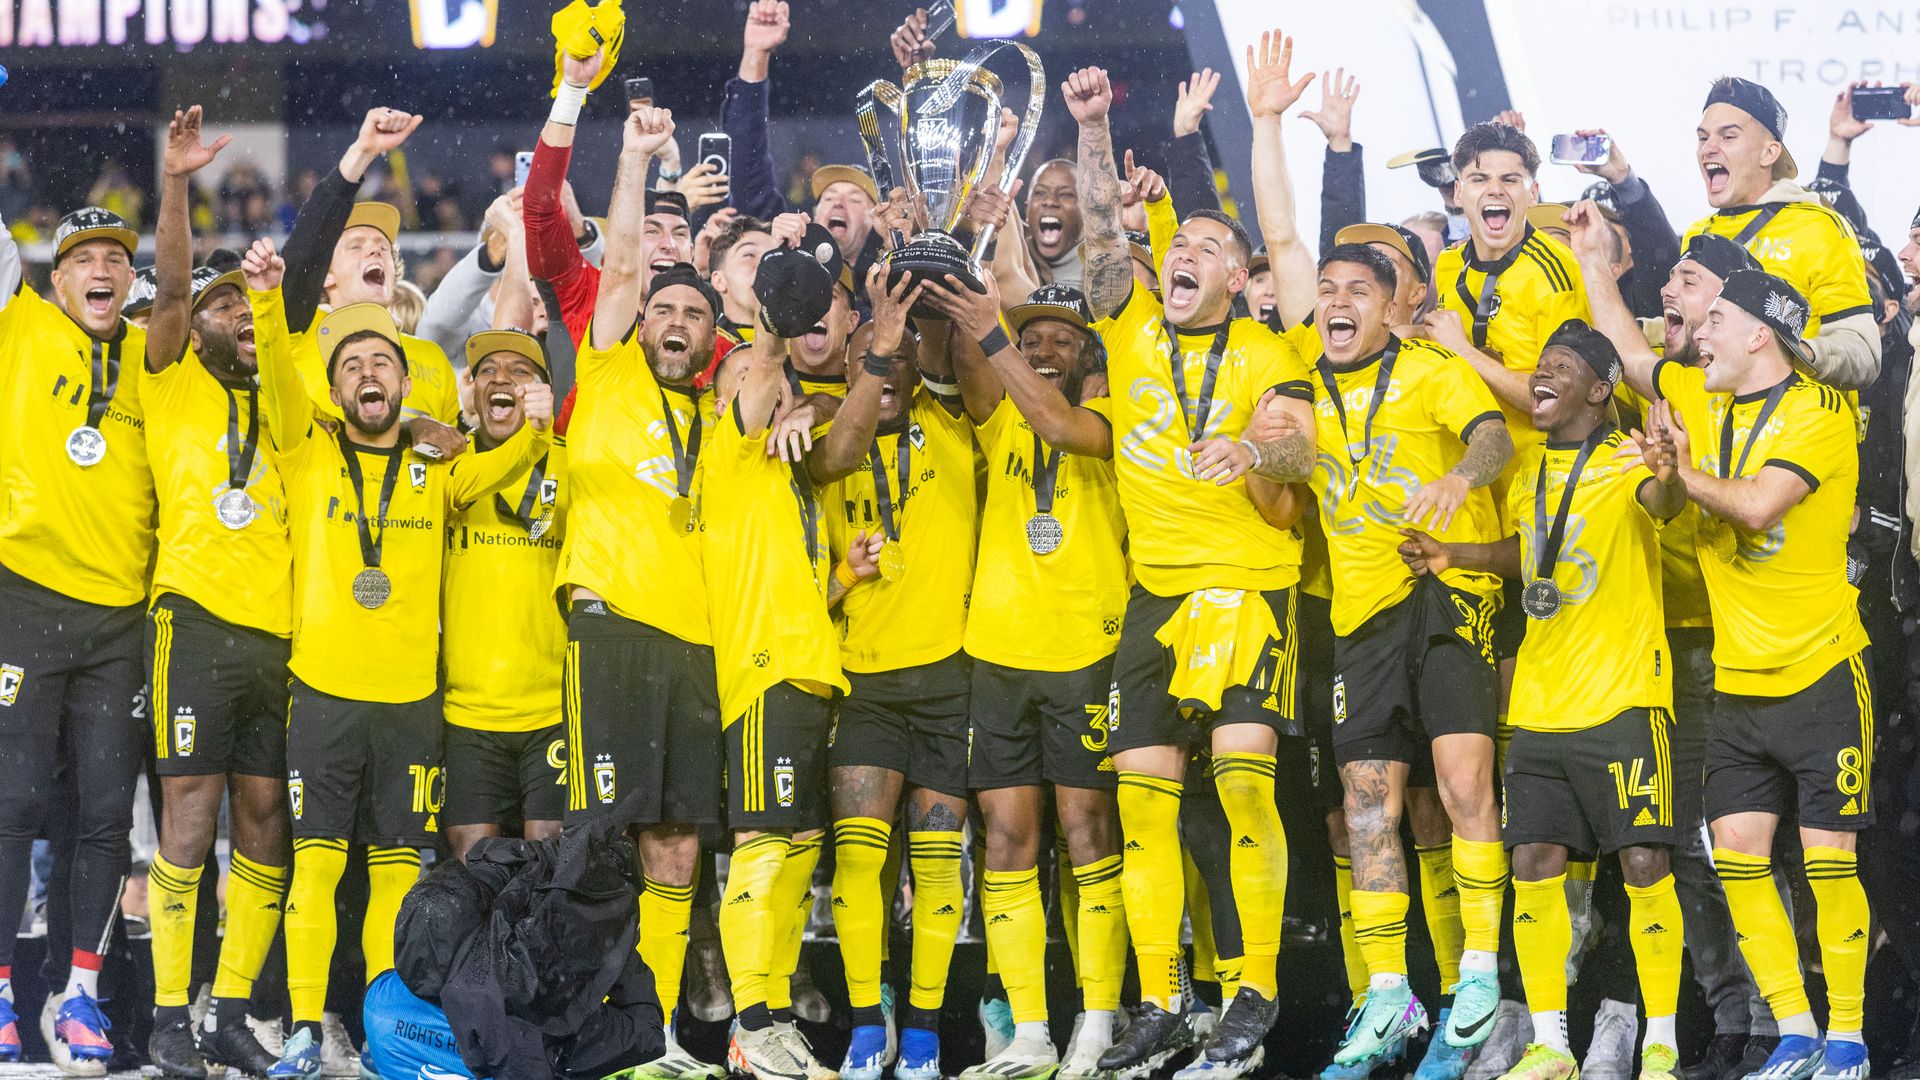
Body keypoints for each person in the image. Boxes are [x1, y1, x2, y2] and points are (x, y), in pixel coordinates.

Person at [1061, 59, 1320, 1080]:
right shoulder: (1128, 327)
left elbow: (1300, 450)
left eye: (1211, 248)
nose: (1187, 253)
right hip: (1155, 597)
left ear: (1235, 280)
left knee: (1247, 790)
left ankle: (1255, 985)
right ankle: (1166, 1000)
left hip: (1248, 589)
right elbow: (1099, 242)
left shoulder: (1265, 350)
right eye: (1182, 242)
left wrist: (1251, 448)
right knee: (1143, 806)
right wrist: (1092, 129)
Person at [241, 236, 553, 1080]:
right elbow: (278, 376)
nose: (368, 375)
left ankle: (383, 1032)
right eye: (351, 367)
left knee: (392, 875)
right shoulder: (305, 448)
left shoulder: (438, 470)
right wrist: (267, 299)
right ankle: (304, 1029)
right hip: (324, 694)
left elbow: (502, 466)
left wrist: (534, 430)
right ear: (335, 388)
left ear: (408, 383)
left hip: (413, 702)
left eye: (383, 362)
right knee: (315, 865)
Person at [1399, 321, 1689, 1080]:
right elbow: (1528, 552)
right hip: (1537, 701)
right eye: (1539, 365)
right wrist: (1454, 554)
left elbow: (1663, 503)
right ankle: (1551, 1044)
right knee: (1532, 863)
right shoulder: (1527, 468)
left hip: (1624, 697)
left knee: (1645, 863)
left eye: (1560, 365)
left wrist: (1670, 473)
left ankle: (1661, 1039)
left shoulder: (1626, 458)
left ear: (1600, 389)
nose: (1541, 374)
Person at [1263, 244, 1512, 1073]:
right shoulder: (1301, 386)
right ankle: (1388, 991)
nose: (1338, 302)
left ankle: (1480, 970)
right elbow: (1290, 472)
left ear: (1388, 305)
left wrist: (1458, 478)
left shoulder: (1431, 370)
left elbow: (1494, 439)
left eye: (1358, 291)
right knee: (1367, 810)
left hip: (1443, 594)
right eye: (1326, 290)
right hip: (1360, 619)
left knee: (1463, 787)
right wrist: (1252, 452)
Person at [1626, 265, 1873, 1080]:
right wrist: (1664, 477)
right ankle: (1796, 1032)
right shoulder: (1710, 409)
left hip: (1821, 671)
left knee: (1829, 861)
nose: (1698, 335)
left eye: (1715, 321)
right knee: (1736, 857)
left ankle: (1850, 1038)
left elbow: (1761, 503)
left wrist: (1682, 472)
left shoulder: (1820, 410)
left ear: (1760, 333)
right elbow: (1669, 508)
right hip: (1736, 680)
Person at [1574, 211, 1784, 1080]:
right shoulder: (1680, 388)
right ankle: (1736, 1021)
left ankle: (1781, 1020)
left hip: (1756, 653)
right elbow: (1622, 346)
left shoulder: (1789, 398)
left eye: (1689, 283)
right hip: (1670, 648)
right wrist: (1592, 259)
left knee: (1752, 845)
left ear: (1739, 311)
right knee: (1690, 846)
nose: (1668, 290)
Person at [699, 229, 897, 1080]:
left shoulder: (787, 480)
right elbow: (761, 375)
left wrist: (845, 580)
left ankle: (773, 1017)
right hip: (764, 673)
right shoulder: (733, 454)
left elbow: (793, 586)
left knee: (801, 850)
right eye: (751, 384)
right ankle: (750, 1024)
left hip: (811, 668)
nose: (767, 391)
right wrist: (772, 326)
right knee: (765, 843)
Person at [921, 278, 1128, 1080]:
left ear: (1089, 358)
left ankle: (1098, 1021)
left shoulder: (1113, 416)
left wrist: (996, 329)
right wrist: (962, 273)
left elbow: (1058, 418)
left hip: (1087, 649)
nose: (1043, 350)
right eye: (1031, 337)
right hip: (999, 653)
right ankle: (1031, 1033)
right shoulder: (997, 410)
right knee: (1007, 840)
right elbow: (975, 359)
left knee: (1088, 834)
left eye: (1062, 340)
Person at [558, 100, 725, 1080]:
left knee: (677, 846)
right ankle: (582, 1026)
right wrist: (631, 156)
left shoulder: (721, 413)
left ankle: (652, 1039)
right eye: (664, 310)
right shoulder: (610, 370)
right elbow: (621, 264)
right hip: (613, 630)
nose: (673, 322)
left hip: (696, 644)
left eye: (693, 314)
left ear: (710, 338)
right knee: (598, 838)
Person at [139, 108, 289, 1080]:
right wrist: (177, 183)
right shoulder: (169, 380)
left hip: (279, 633)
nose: (234, 313)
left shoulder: (284, 397)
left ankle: (230, 1010)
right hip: (192, 619)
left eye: (244, 303)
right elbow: (173, 286)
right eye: (219, 303)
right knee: (189, 819)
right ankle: (166, 1016)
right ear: (194, 324)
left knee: (266, 819)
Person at [0, 200, 156, 1070]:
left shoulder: (154, 358)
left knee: (103, 815)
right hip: (24, 596)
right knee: (13, 805)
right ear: (54, 278)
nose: (102, 269)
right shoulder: (16, 323)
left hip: (119, 616)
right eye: (84, 259)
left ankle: (80, 995)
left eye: (116, 259)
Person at [818, 260, 979, 1080]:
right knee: (858, 861)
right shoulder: (822, 454)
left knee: (939, 860)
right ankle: (862, 1025)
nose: (884, 376)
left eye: (898, 364)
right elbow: (801, 589)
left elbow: (954, 354)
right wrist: (845, 579)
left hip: (950, 679)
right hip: (866, 682)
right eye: (868, 363)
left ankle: (922, 1032)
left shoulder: (955, 430)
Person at [440, 323, 572, 862]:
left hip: (553, 707)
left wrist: (545, 437)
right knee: (473, 871)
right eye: (487, 370)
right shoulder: (445, 462)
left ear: (543, 390)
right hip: (468, 713)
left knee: (551, 868)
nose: (501, 378)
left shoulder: (573, 460)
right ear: (471, 391)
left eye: (520, 371)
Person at [1681, 77, 1880, 390]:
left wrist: (1789, 353)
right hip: (1712, 418)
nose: (1708, 149)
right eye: (1703, 138)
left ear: (1769, 152)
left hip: (1800, 417)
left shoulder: (1818, 226)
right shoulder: (1699, 233)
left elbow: (1863, 354)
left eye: (1728, 136)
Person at [277, 107, 463, 440]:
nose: (375, 251)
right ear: (325, 275)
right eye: (356, 246)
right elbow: (305, 248)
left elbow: (452, 459)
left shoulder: (431, 359)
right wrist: (362, 154)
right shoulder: (299, 332)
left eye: (382, 246)